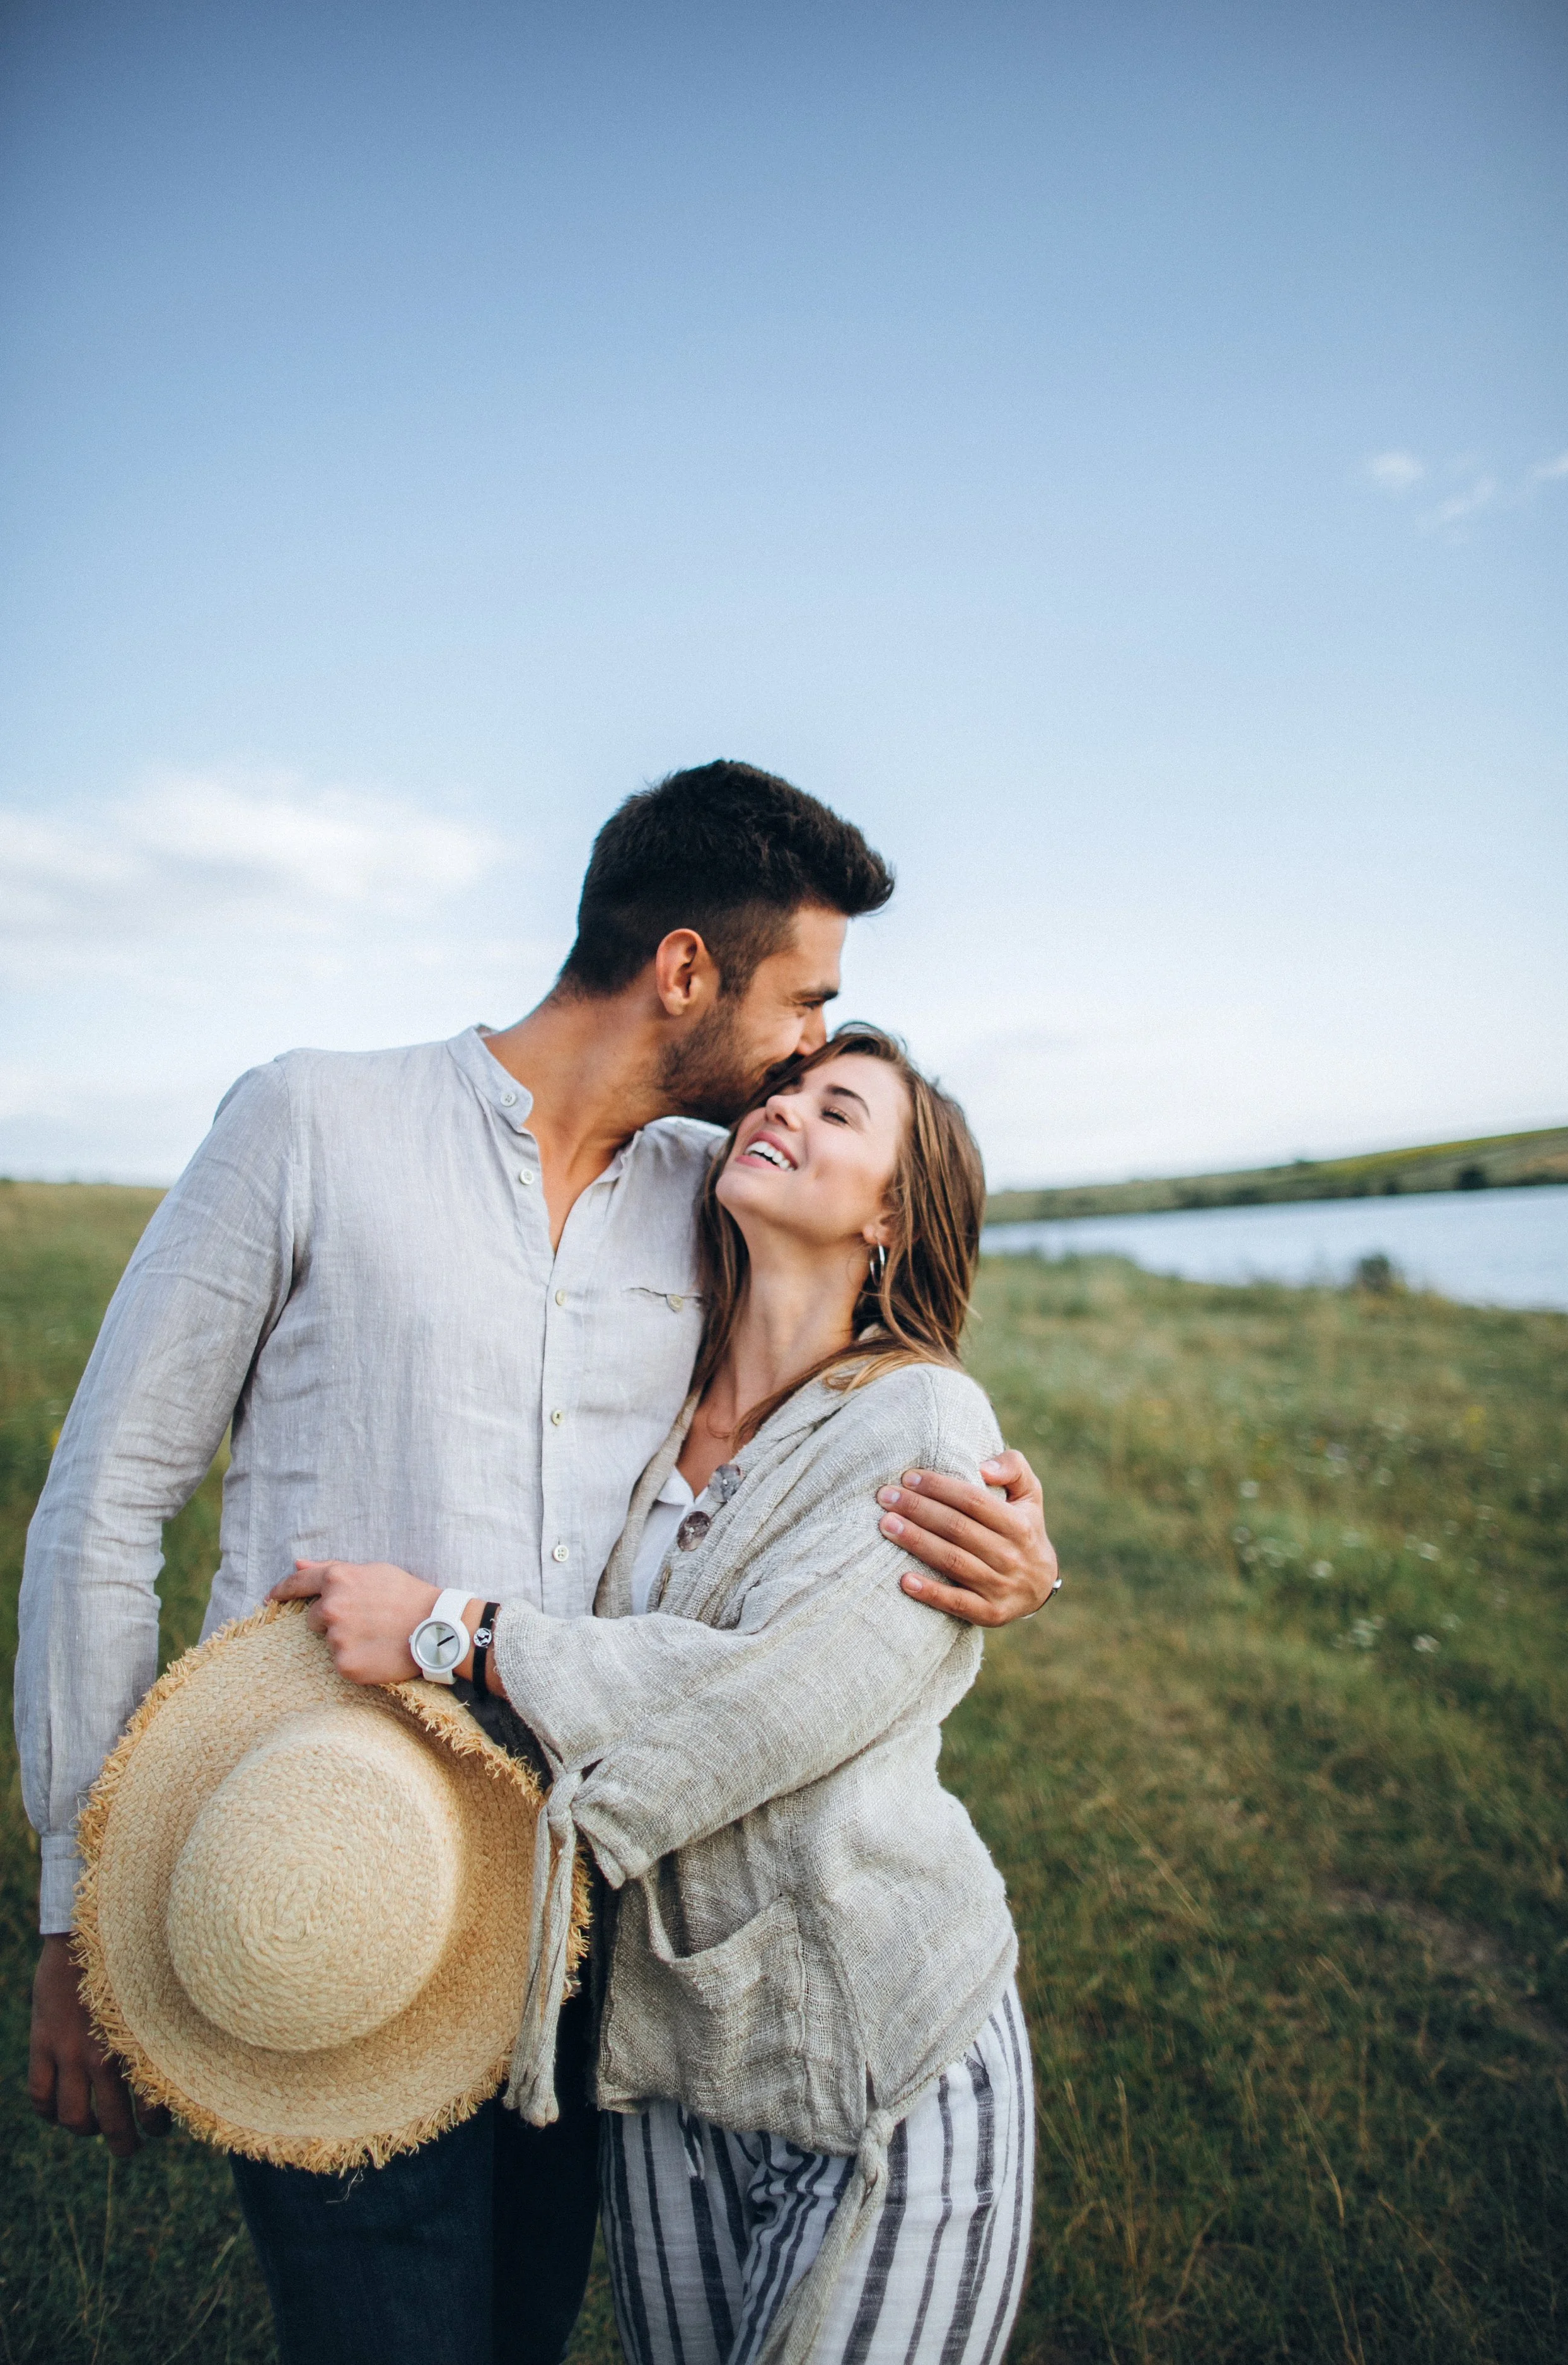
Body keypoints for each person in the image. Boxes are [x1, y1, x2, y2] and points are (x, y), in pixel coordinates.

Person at [16, 762, 1059, 2365]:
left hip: (588, 1933)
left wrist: (1001, 1542)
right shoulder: (311, 1119)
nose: (807, 1052)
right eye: (807, 1002)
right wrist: (77, 1902)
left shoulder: (700, 1203)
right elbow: (102, 1504)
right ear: (687, 971)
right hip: (318, 1883)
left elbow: (830, 1425)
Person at [279, 1024, 1042, 2365]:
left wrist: (460, 1632)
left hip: (874, 2050)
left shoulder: (921, 1424)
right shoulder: (654, 1413)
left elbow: (760, 1699)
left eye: (839, 1111)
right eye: (787, 1089)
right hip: (661, 2068)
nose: (789, 1111)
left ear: (890, 1215)